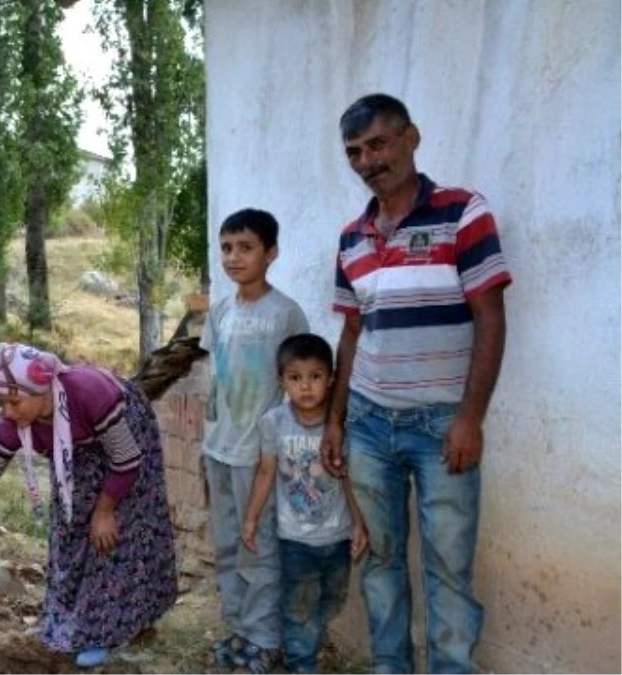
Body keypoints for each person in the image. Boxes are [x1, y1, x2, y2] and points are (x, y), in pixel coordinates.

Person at [321, 94, 511, 674]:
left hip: (440, 427)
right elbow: (352, 335)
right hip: (371, 426)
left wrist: (469, 419)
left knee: (448, 568)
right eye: (355, 151)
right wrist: (336, 419)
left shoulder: (462, 213)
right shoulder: (352, 238)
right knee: (380, 561)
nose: (367, 160)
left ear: (411, 138)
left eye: (378, 144)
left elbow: (490, 318)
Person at [0, 343, 177, 670]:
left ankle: (110, 628)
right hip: (77, 448)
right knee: (71, 523)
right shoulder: (14, 423)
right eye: (1, 402)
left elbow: (126, 460)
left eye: (14, 401)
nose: (7, 411)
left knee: (118, 530)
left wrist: (105, 511)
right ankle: (68, 619)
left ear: (42, 388)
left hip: (126, 438)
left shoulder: (90, 394)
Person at [203, 209, 310, 673]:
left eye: (245, 247)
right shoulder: (221, 310)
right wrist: (206, 437)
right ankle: (240, 630)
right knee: (227, 542)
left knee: (258, 544)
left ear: (271, 253)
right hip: (219, 449)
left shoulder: (285, 313)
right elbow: (214, 382)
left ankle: (267, 639)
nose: (233, 257)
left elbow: (303, 383)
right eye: (226, 248)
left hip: (259, 455)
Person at [242, 334, 368, 675]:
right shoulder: (274, 422)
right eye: (295, 378)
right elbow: (266, 471)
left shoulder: (340, 427)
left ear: (330, 379)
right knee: (299, 605)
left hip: (337, 535)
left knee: (332, 599)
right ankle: (302, 662)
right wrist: (251, 518)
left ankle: (305, 639)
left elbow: (348, 477)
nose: (306, 387)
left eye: (315, 376)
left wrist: (359, 522)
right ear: (281, 380)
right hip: (294, 539)